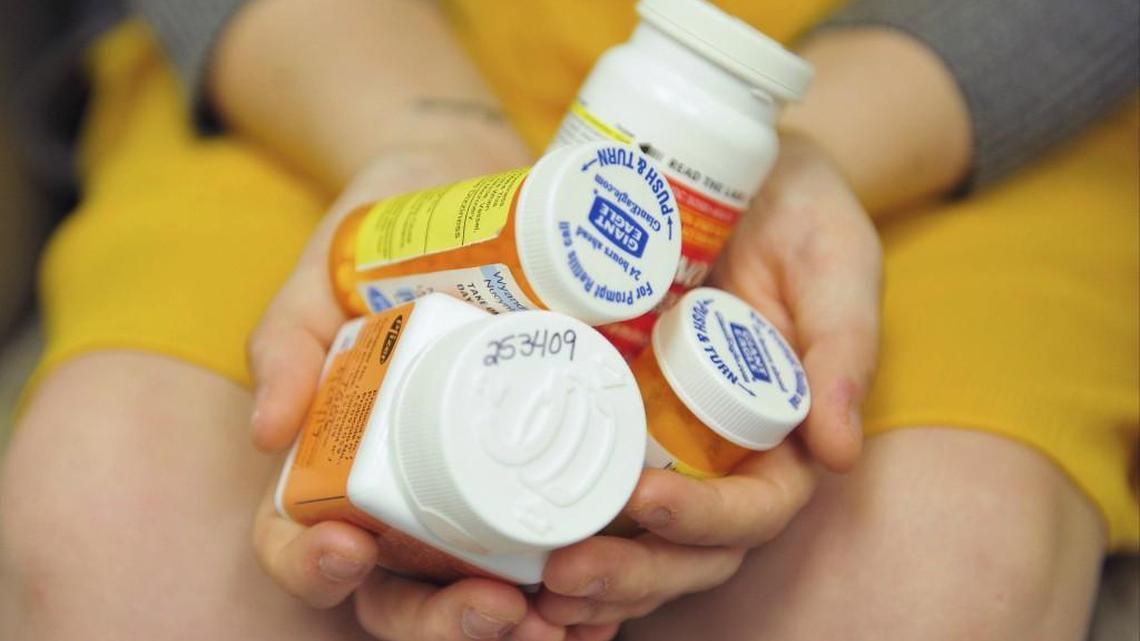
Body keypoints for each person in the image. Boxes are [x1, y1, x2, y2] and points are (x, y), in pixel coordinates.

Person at [1, 1, 1136, 639]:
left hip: (932, 87)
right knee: (115, 526)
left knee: (938, 577)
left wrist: (794, 155)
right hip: (330, 45)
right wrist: (428, 133)